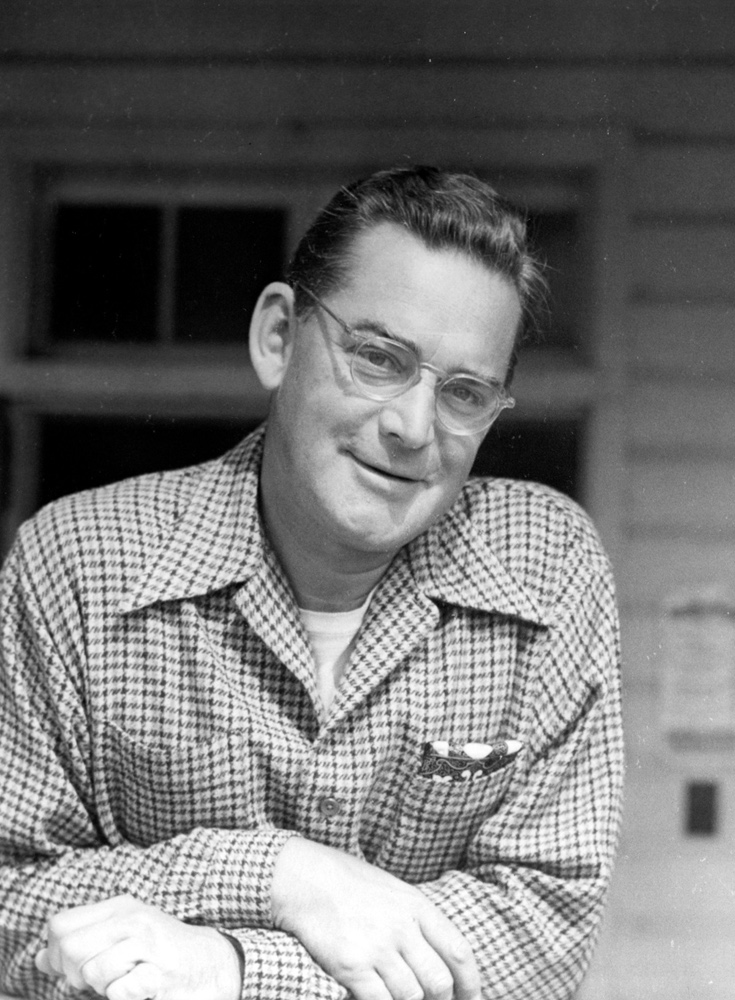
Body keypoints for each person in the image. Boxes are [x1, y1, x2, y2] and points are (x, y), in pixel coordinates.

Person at [0, 167, 624, 1000]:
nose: (411, 427)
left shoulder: (545, 569)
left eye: (465, 393)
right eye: (377, 357)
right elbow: (10, 899)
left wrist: (233, 970)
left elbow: (538, 936)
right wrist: (280, 875)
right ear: (278, 337)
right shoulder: (77, 564)